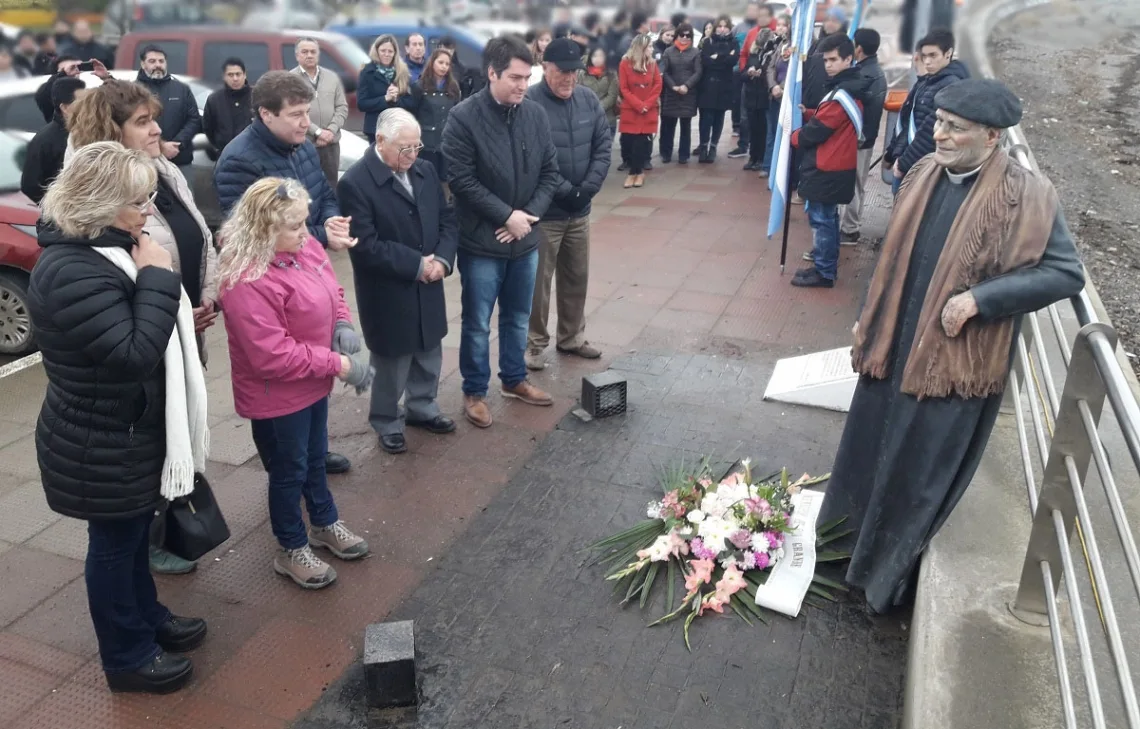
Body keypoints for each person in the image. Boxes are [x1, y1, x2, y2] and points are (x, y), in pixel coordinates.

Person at [822, 79, 1086, 613]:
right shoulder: (922, 174)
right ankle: (839, 553)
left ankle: (885, 581)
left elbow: (1065, 273)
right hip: (892, 349)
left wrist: (983, 300)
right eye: (938, 122)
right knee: (865, 454)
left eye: (953, 128)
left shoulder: (1029, 195)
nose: (937, 134)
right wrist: (864, 321)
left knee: (916, 473)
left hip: (951, 364)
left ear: (991, 137)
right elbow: (888, 262)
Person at [29, 142, 209, 694]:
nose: (149, 210)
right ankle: (126, 657)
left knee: (132, 538)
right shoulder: (72, 269)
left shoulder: (108, 248)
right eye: (138, 200)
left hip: (121, 432)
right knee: (113, 547)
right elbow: (133, 354)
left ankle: (147, 618)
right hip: (99, 442)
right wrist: (157, 279)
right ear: (101, 203)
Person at [66, 79, 221, 575]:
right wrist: (172, 307)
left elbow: (198, 234)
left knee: (177, 427)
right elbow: (119, 286)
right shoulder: (103, 195)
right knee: (145, 445)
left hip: (182, 326)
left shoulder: (165, 170)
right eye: (142, 122)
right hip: (145, 343)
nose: (157, 129)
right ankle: (152, 539)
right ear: (110, 132)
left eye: (154, 119)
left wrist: (208, 293)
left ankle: (167, 522)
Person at [217, 178, 373, 590]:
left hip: (311, 381)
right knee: (289, 471)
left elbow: (330, 286)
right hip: (276, 395)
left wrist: (341, 321)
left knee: (316, 456)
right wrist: (337, 363)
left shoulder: (304, 248)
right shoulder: (246, 279)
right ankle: (291, 547)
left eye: (305, 223)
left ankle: (324, 521)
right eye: (294, 227)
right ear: (264, 230)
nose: (306, 233)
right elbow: (272, 355)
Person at [214, 71, 356, 476]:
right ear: (265, 114)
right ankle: (283, 463)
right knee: (280, 377)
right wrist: (319, 236)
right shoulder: (239, 161)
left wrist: (330, 224)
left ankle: (315, 449)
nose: (305, 122)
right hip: (268, 288)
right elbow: (250, 236)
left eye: (307, 112)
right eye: (296, 114)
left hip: (303, 272)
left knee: (312, 363)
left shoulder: (302, 145)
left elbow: (324, 195)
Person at [440, 36, 560, 429]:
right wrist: (505, 216)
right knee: (477, 322)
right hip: (481, 241)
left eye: (528, 77)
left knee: (518, 316)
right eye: (514, 77)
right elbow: (461, 180)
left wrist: (526, 216)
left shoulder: (535, 115)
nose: (523, 86)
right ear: (491, 73)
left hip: (525, 238)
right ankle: (474, 390)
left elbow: (549, 173)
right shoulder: (463, 118)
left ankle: (514, 379)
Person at [338, 109, 458, 454]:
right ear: (380, 141)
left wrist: (443, 261)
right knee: (392, 358)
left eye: (416, 147)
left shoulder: (424, 169)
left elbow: (448, 219)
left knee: (428, 348)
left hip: (430, 277)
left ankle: (423, 407)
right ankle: (387, 419)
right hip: (388, 287)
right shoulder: (356, 182)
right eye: (404, 149)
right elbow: (365, 245)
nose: (412, 155)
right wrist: (416, 264)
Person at [525, 38, 611, 372]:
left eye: (574, 72)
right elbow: (530, 158)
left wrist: (588, 187)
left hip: (580, 210)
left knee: (577, 277)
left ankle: (572, 337)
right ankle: (534, 344)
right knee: (538, 285)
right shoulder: (530, 104)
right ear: (545, 67)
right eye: (562, 71)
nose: (569, 79)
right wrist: (563, 190)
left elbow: (603, 145)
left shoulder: (588, 99)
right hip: (545, 212)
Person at [790, 34, 866, 289]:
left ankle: (824, 272)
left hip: (828, 165)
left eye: (834, 60)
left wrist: (793, 137)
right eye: (826, 60)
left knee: (822, 219)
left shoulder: (844, 91)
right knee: (827, 218)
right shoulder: (846, 87)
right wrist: (810, 113)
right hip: (832, 164)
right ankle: (825, 266)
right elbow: (829, 118)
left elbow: (818, 131)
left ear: (848, 58)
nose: (829, 65)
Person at [885, 29, 969, 195]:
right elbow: (908, 119)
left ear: (948, 54)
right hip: (910, 162)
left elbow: (928, 132)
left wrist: (903, 164)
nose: (927, 61)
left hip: (920, 168)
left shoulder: (949, 86)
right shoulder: (928, 81)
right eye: (924, 56)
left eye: (933, 55)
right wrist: (891, 154)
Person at [841, 28, 888, 244]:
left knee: (853, 183)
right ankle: (850, 225)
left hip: (858, 137)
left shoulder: (864, 74)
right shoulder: (874, 71)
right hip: (866, 136)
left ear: (858, 48)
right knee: (856, 182)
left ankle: (850, 229)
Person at [135, 45, 201, 174]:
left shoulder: (181, 89)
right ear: (143, 64)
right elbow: (130, 124)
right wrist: (160, 146)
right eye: (152, 61)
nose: (157, 65)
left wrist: (177, 144)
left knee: (183, 195)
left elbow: (193, 119)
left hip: (180, 161)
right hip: (145, 164)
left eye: (161, 61)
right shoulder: (134, 91)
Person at [291, 38, 349, 187]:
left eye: (313, 52)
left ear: (318, 54)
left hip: (331, 145)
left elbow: (342, 107)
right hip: (304, 144)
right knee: (306, 186)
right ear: (297, 55)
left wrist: (330, 131)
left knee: (331, 187)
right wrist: (317, 132)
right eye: (304, 52)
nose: (309, 55)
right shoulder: (290, 80)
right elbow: (294, 112)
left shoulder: (332, 77)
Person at [398, 48, 460, 181]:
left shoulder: (453, 87)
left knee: (445, 180)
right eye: (440, 62)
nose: (444, 67)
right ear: (432, 63)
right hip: (425, 143)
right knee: (425, 179)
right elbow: (411, 114)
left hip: (446, 144)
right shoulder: (419, 86)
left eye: (447, 64)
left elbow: (457, 115)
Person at [21, 77, 85, 204]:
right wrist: (59, 207)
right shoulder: (46, 140)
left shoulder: (88, 132)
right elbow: (30, 186)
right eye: (81, 102)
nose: (87, 106)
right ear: (65, 108)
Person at [728, 2, 772, 158]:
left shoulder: (773, 34)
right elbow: (744, 54)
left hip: (765, 85)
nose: (761, 18)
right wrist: (744, 70)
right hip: (748, 80)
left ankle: (760, 153)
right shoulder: (752, 32)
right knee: (745, 115)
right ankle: (743, 145)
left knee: (762, 122)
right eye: (759, 15)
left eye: (764, 15)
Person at [618, 34, 661, 188]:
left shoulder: (653, 64)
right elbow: (623, 88)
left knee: (642, 142)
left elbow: (657, 85)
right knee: (630, 141)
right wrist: (638, 104)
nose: (652, 49)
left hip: (648, 109)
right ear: (641, 48)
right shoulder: (625, 63)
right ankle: (634, 171)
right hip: (631, 109)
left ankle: (636, 173)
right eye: (649, 46)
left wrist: (647, 104)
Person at [695, 15, 739, 163]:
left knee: (719, 117)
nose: (722, 29)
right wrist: (723, 57)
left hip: (724, 86)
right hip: (708, 85)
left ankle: (713, 147)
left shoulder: (733, 42)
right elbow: (706, 61)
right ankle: (703, 147)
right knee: (705, 118)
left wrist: (717, 57)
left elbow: (732, 61)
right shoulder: (707, 42)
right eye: (719, 26)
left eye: (725, 26)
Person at [659, 22, 701, 165]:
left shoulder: (695, 52)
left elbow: (698, 72)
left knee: (685, 126)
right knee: (669, 125)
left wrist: (686, 86)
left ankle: (684, 155)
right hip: (671, 93)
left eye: (687, 35)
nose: (684, 38)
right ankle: (666, 153)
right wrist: (673, 86)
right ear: (677, 35)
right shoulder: (668, 52)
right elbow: (665, 72)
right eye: (681, 35)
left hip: (688, 93)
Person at [357, 34, 410, 141]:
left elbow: (410, 103)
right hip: (375, 129)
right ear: (376, 51)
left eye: (390, 51)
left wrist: (396, 100)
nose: (386, 54)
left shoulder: (402, 71)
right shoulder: (367, 72)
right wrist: (385, 99)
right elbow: (362, 104)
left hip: (397, 128)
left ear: (395, 53)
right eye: (383, 51)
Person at [740, 18, 774, 171]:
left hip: (763, 98)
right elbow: (742, 75)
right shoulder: (753, 56)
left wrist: (760, 74)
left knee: (763, 130)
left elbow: (769, 75)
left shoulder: (770, 56)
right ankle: (753, 157)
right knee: (752, 129)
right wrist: (749, 73)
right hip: (751, 96)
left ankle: (760, 158)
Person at [203, 57, 253, 158]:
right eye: (230, 75)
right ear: (224, 77)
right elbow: (208, 129)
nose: (235, 78)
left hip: (253, 156)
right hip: (225, 157)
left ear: (244, 75)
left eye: (238, 74)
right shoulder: (215, 100)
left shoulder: (257, 97)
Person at [761, 15, 792, 177]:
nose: (781, 28)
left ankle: (782, 169)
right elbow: (771, 67)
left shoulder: (798, 46)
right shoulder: (782, 44)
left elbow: (795, 71)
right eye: (778, 25)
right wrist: (773, 86)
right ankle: (767, 166)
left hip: (787, 96)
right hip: (774, 95)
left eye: (784, 25)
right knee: (771, 132)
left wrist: (781, 87)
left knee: (785, 132)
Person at [579, 47, 619, 138]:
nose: (597, 59)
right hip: (587, 119)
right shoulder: (582, 73)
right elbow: (579, 93)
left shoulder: (611, 73)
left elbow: (612, 96)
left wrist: (597, 108)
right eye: (595, 56)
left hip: (607, 119)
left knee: (605, 149)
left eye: (601, 56)